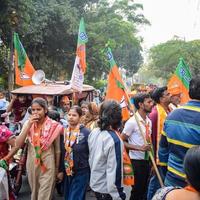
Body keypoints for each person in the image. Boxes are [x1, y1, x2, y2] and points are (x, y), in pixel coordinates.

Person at [16, 97, 62, 200]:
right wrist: (28, 125)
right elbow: (18, 144)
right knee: (35, 193)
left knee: (44, 195)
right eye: (33, 110)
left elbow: (58, 150)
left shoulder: (54, 126)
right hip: (32, 163)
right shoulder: (28, 124)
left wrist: (57, 169)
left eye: (39, 109)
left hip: (48, 163)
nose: (36, 112)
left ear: (45, 110)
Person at [158, 76, 200, 188]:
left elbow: (163, 151)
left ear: (189, 92)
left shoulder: (171, 115)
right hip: (195, 188)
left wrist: (166, 174)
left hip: (172, 181)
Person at [88, 100, 126, 200]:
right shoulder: (114, 139)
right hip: (107, 190)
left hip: (96, 184)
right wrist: (118, 196)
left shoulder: (94, 132)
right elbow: (114, 172)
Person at [121, 93, 153, 200]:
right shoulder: (132, 122)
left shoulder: (148, 121)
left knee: (145, 191)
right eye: (148, 102)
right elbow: (121, 140)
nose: (152, 104)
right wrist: (139, 148)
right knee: (137, 192)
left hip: (147, 160)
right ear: (140, 104)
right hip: (136, 162)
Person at [60, 106, 90, 200]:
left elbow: (91, 152)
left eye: (74, 115)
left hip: (82, 170)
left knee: (75, 197)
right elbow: (62, 152)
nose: (71, 117)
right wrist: (60, 170)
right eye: (69, 115)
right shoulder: (64, 131)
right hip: (68, 170)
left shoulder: (86, 133)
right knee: (69, 196)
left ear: (80, 117)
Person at [147, 86, 172, 200]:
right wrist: (152, 159)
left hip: (167, 155)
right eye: (167, 94)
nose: (170, 95)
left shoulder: (169, 110)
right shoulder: (155, 114)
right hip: (158, 157)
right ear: (161, 99)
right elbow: (150, 137)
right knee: (156, 183)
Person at [0, 117, 18, 200]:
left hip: (1, 168)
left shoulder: (3, 131)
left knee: (4, 193)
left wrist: (6, 158)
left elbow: (16, 145)